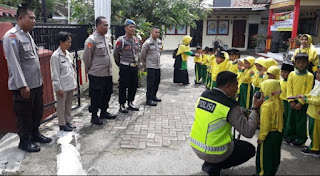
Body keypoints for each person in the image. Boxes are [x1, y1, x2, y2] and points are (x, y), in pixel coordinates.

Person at [190, 71, 264, 176]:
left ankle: (211, 164)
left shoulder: (205, 95)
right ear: (228, 86)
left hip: (196, 145)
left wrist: (241, 112)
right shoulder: (230, 106)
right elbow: (249, 132)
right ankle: (214, 166)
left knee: (231, 142)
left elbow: (217, 112)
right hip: (215, 151)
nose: (237, 89)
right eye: (236, 85)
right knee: (249, 150)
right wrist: (255, 109)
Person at [2, 5, 52, 152]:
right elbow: (14, 63)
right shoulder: (12, 36)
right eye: (31, 18)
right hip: (24, 86)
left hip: (36, 83)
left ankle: (35, 134)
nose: (34, 21)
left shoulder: (27, 34)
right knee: (24, 115)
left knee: (37, 112)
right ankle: (24, 141)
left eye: (35, 18)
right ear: (20, 18)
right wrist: (22, 85)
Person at [83, 16, 116, 125]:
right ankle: (94, 116)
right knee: (96, 96)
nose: (107, 27)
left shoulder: (106, 38)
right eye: (105, 25)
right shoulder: (91, 40)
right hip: (97, 74)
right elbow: (86, 58)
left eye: (107, 25)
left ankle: (104, 112)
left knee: (107, 93)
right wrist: (89, 71)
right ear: (97, 26)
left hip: (107, 73)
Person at [285, 53, 314, 147]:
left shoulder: (309, 76)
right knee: (291, 119)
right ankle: (290, 135)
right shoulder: (292, 74)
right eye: (298, 62)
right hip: (292, 101)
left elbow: (308, 90)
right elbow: (289, 88)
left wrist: (301, 102)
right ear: (295, 63)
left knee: (301, 121)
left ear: (307, 63)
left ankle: (301, 138)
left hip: (303, 102)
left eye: (303, 62)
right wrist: (291, 100)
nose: (301, 64)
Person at [256, 79, 283, 176]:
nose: (262, 93)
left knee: (264, 158)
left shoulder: (266, 106)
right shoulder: (279, 102)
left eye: (263, 91)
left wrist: (261, 137)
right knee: (274, 156)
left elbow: (265, 125)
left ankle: (262, 173)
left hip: (268, 136)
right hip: (278, 134)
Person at [50, 31, 77, 131]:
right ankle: (62, 124)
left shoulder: (68, 54)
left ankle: (68, 121)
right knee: (61, 106)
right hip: (62, 86)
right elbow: (55, 73)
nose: (70, 44)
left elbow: (71, 69)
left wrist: (74, 83)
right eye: (68, 42)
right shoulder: (55, 56)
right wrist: (58, 88)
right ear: (61, 42)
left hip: (69, 84)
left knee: (68, 104)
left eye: (70, 42)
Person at [114, 19, 140, 113]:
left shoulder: (136, 40)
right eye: (130, 27)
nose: (133, 29)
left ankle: (130, 103)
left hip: (134, 66)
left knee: (133, 85)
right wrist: (120, 64)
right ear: (125, 28)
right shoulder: (121, 40)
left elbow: (137, 53)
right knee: (123, 86)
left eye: (134, 27)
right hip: (125, 66)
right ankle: (122, 105)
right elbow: (116, 54)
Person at [296, 65, 320, 157]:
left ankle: (315, 149)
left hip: (316, 114)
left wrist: (306, 100)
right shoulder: (317, 84)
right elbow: (312, 95)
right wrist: (305, 96)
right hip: (312, 112)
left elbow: (318, 100)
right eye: (317, 72)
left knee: (315, 132)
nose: (317, 75)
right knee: (312, 130)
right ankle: (313, 146)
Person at [141, 26, 162, 106]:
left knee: (157, 81)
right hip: (150, 66)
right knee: (150, 83)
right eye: (155, 32)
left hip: (157, 65)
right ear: (151, 32)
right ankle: (149, 99)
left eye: (158, 32)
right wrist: (146, 62)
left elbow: (160, 52)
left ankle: (154, 96)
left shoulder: (159, 42)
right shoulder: (147, 43)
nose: (157, 34)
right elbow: (143, 54)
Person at [279, 62, 294, 136]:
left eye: (285, 72)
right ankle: (282, 130)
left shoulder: (291, 82)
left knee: (289, 118)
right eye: (282, 71)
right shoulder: (281, 81)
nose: (283, 74)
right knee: (282, 117)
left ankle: (288, 133)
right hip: (281, 101)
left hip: (288, 102)